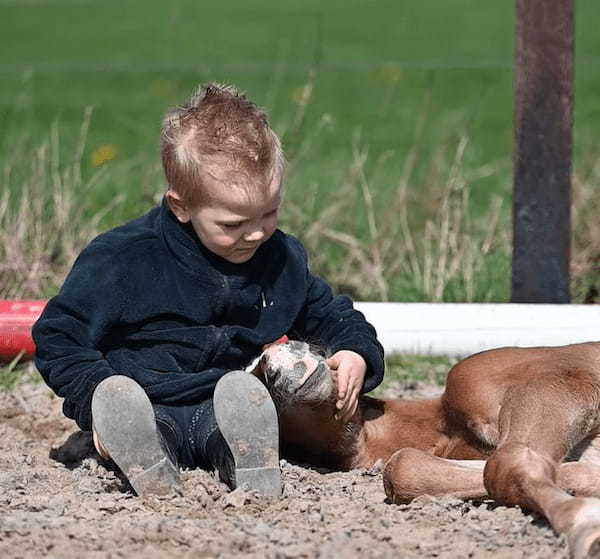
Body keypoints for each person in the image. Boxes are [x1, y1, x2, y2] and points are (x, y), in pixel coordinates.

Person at [33, 83, 384, 498]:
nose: (255, 233)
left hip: (220, 403)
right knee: (141, 421)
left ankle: (248, 460)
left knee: (235, 412)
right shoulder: (123, 258)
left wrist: (356, 353)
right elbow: (58, 336)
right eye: (232, 224)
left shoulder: (281, 259)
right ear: (181, 206)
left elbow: (333, 315)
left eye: (269, 213)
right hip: (144, 399)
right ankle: (143, 454)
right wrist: (93, 397)